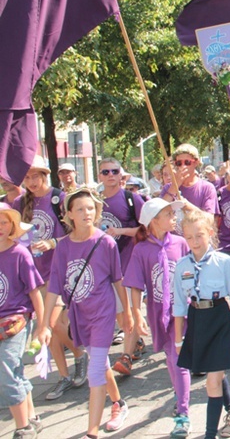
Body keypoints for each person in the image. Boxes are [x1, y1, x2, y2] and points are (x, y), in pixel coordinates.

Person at [40, 188, 134, 437]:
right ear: (69, 214)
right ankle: (119, 404)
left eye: (90, 208)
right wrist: (44, 324)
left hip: (103, 314)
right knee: (101, 365)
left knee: (94, 371)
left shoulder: (106, 242)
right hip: (79, 315)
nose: (86, 213)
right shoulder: (63, 248)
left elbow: (117, 280)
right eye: (80, 209)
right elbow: (54, 286)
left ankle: (91, 430)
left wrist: (127, 313)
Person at [13, 156, 88, 400]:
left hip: (62, 271)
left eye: (35, 176)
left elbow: (80, 231)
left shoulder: (61, 199)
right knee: (52, 330)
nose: (31, 182)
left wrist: (53, 242)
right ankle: (64, 376)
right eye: (26, 177)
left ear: (45, 175)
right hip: (34, 274)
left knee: (52, 325)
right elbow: (12, 233)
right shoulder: (19, 203)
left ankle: (79, 354)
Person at [173, 210, 230, 439]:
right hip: (196, 319)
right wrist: (179, 338)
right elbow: (178, 304)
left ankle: (208, 434)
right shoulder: (181, 266)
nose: (195, 242)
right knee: (215, 371)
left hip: (219, 318)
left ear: (210, 233)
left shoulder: (223, 262)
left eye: (199, 235)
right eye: (189, 237)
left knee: (212, 381)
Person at [123, 198, 192, 437]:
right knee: (170, 357)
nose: (174, 218)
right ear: (154, 221)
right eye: (168, 214)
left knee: (178, 358)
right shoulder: (141, 249)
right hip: (157, 311)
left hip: (182, 313)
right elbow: (134, 284)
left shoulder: (181, 243)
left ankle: (183, 414)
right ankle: (179, 393)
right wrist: (136, 313)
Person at [97, 158, 146, 375]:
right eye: (105, 172)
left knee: (130, 311)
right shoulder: (94, 202)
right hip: (106, 268)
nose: (110, 175)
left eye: (114, 171)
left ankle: (125, 358)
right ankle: (135, 342)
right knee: (120, 313)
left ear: (121, 175)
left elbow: (146, 229)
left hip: (129, 264)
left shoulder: (131, 199)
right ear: (99, 176)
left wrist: (120, 232)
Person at [0, 203, 44, 439]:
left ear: (13, 226)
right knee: (14, 370)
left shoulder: (19, 253)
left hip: (16, 321)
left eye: (4, 222)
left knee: (6, 370)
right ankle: (32, 418)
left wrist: (41, 327)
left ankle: (22, 427)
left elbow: (35, 291)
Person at [161, 144, 220, 235]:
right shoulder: (168, 188)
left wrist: (188, 207)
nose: (183, 166)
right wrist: (174, 186)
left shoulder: (207, 188)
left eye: (187, 162)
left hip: (198, 244)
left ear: (196, 162)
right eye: (179, 163)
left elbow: (209, 220)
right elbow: (159, 213)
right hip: (174, 244)